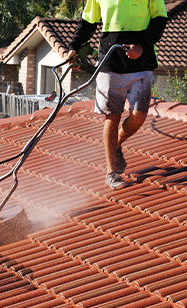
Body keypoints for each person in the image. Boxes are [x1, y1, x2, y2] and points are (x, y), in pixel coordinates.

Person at [67, 0, 168, 189]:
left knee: (138, 117)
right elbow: (88, 21)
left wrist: (142, 46)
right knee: (112, 118)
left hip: (141, 63)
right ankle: (111, 172)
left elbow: (160, 20)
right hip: (110, 62)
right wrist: (74, 45)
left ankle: (118, 143)